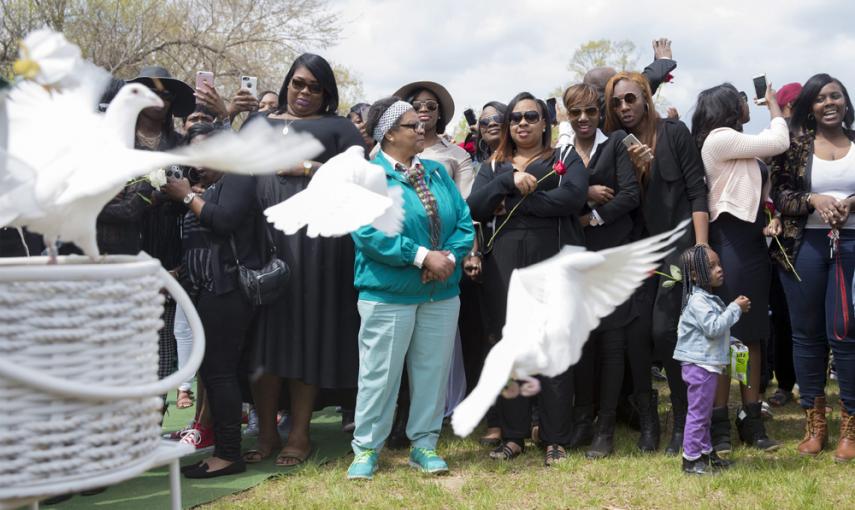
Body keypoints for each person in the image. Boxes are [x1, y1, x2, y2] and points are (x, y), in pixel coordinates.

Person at [345, 97, 474, 480]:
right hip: (389, 293)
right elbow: (368, 233)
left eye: (421, 124)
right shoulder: (367, 176)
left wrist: (447, 259)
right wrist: (422, 257)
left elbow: (464, 223)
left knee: (432, 371)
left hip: (441, 292)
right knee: (379, 374)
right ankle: (367, 448)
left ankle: (424, 444)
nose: (422, 130)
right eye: (411, 125)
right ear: (388, 133)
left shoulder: (436, 172)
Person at [249, 53, 365, 468]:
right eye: (298, 83)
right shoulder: (259, 124)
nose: (304, 93)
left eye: (315, 87)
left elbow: (361, 176)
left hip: (316, 248)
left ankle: (299, 434)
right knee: (263, 342)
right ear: (286, 83)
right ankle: (265, 432)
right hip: (259, 241)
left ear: (327, 93)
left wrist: (309, 166)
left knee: (304, 337)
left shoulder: (339, 128)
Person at [468, 92, 588, 465]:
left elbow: (574, 198)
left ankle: (555, 438)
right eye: (516, 117)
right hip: (503, 264)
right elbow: (474, 206)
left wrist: (518, 203)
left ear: (544, 123)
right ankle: (514, 434)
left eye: (531, 116)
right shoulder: (493, 164)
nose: (522, 123)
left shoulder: (564, 157)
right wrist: (507, 182)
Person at [604, 71, 709, 455]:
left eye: (630, 98)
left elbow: (697, 190)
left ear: (646, 98)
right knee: (635, 336)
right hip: (635, 249)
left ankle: (682, 420)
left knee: (666, 331)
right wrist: (635, 171)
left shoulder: (675, 132)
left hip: (677, 246)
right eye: (616, 102)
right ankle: (649, 424)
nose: (624, 107)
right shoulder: (616, 143)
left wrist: (701, 247)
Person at [159, 122, 261, 479]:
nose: (198, 163)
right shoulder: (212, 186)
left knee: (220, 374)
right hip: (208, 290)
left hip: (228, 290)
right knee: (216, 374)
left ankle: (230, 454)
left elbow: (225, 220)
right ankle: (224, 448)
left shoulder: (241, 176)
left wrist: (188, 196)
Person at [692, 82, 789, 453]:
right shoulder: (719, 139)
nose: (747, 104)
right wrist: (775, 106)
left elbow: (753, 193)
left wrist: (770, 217)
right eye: (742, 100)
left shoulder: (737, 146)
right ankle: (718, 422)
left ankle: (751, 417)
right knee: (725, 334)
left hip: (751, 242)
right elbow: (779, 140)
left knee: (753, 332)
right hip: (727, 241)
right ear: (728, 108)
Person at [770, 73, 855, 463]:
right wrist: (814, 199)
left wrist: (850, 203)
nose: (830, 103)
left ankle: (850, 427)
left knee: (847, 334)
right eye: (821, 98)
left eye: (836, 95)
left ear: (846, 101)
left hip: (851, 245)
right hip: (805, 246)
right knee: (807, 336)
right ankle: (815, 425)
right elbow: (781, 195)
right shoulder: (797, 146)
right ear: (810, 107)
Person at [560, 83, 641, 458]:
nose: (583, 119)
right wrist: (588, 192)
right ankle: (582, 421)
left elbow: (629, 195)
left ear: (599, 113)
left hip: (611, 254)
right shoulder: (560, 152)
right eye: (575, 112)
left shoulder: (617, 144)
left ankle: (605, 427)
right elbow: (553, 198)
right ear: (567, 114)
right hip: (574, 258)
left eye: (590, 112)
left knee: (611, 342)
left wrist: (592, 216)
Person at [127, 66, 195, 393]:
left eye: (165, 95)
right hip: (123, 253)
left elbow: (196, 199)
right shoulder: (115, 141)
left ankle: (152, 428)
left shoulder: (181, 146)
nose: (158, 99)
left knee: (163, 349)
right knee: (124, 352)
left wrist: (180, 265)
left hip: (171, 254)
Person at [674, 245, 747, 475]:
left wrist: (732, 341)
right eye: (712, 266)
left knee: (704, 413)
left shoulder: (705, 298)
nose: (719, 269)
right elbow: (714, 327)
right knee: (698, 414)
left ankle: (706, 454)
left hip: (705, 364)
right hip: (699, 366)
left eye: (718, 264)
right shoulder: (699, 301)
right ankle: (691, 459)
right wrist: (735, 308)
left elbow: (712, 333)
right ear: (695, 275)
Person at [394, 80, 475, 198]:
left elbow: (465, 202)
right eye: (415, 106)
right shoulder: (387, 148)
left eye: (430, 105)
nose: (423, 109)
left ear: (440, 112)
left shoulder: (458, 155)